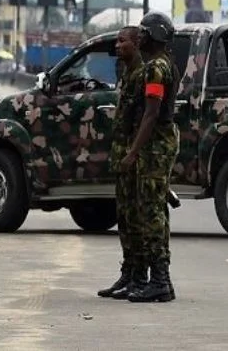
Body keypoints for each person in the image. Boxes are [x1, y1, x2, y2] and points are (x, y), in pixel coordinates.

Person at [121, 11, 181, 303]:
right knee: (155, 210)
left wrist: (133, 151)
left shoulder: (156, 68)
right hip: (159, 144)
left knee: (151, 213)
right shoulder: (162, 63)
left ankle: (159, 281)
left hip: (156, 146)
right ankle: (158, 278)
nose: (140, 36)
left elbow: (151, 113)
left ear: (154, 35)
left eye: (144, 32)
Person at [98, 26, 145, 300]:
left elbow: (146, 119)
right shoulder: (126, 72)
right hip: (122, 153)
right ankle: (128, 274)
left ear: (137, 44)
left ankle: (140, 276)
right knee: (124, 218)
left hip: (134, 155)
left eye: (122, 41)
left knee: (138, 219)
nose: (117, 46)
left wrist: (133, 153)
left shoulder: (143, 74)